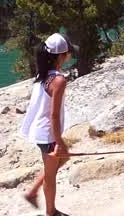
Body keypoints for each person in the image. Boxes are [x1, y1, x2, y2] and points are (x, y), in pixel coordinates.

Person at [22, 32, 77, 216]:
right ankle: (51, 212)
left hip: (40, 131)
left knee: (60, 161)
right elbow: (54, 115)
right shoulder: (59, 80)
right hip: (48, 134)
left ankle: (32, 192)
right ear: (62, 56)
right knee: (52, 175)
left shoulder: (43, 74)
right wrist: (59, 141)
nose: (69, 55)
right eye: (68, 53)